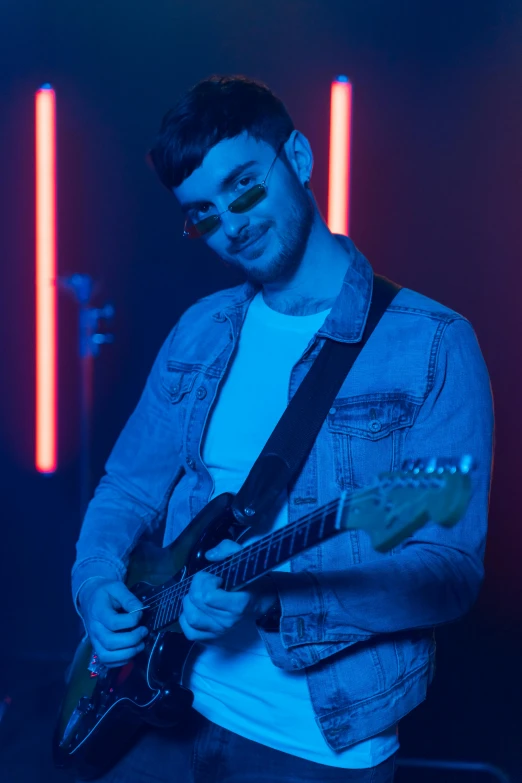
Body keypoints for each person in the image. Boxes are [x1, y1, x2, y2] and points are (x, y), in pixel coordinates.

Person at [72, 75, 494, 783]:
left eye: (243, 186)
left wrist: (273, 593)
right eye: (203, 213)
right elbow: (125, 488)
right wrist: (94, 585)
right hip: (156, 710)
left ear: (296, 156)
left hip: (317, 746)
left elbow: (448, 575)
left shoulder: (432, 343)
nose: (232, 224)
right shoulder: (200, 329)